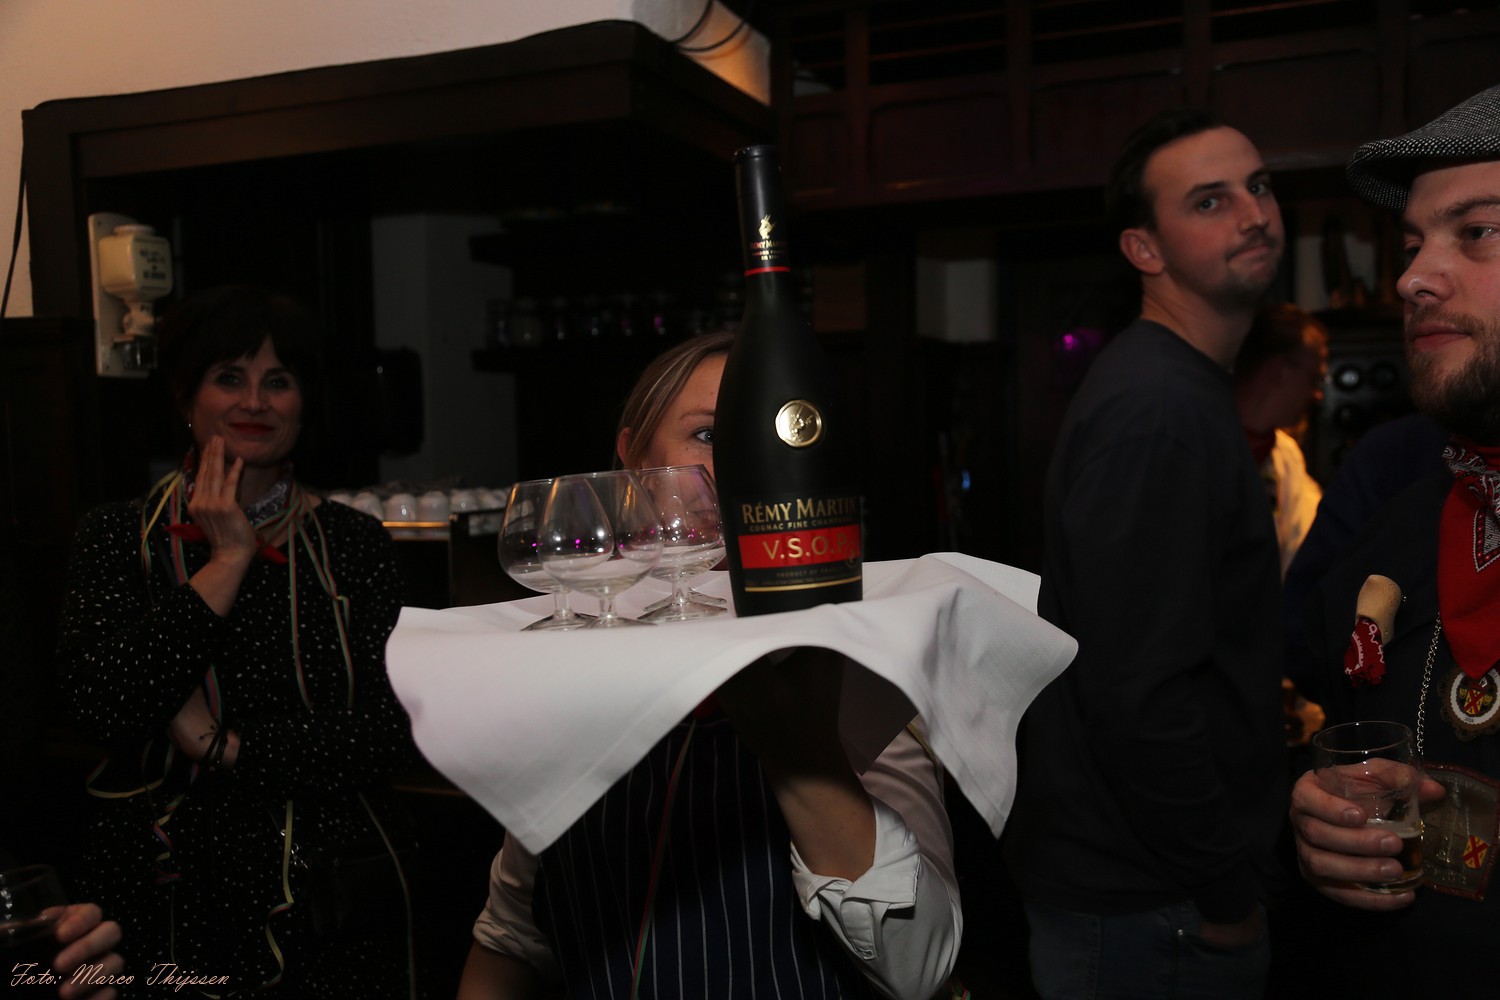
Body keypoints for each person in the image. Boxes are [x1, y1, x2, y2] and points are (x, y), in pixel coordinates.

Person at [456, 332, 963, 1000]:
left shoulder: (852, 657)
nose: (743, 461)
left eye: (768, 437)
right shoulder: (573, 663)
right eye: (707, 435)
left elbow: (921, 965)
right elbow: (514, 935)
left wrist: (801, 752)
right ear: (633, 455)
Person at [56, 286, 423, 995]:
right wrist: (227, 560)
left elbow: (393, 730)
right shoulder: (116, 538)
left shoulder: (355, 544)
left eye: (278, 381)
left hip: (333, 891)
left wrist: (223, 747)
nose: (255, 401)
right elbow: (104, 705)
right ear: (185, 397)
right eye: (230, 377)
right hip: (160, 894)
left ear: (303, 404)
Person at [1002, 107, 1287, 999]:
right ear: (1144, 249)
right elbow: (1138, 695)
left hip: (1154, 893)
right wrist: (1226, 892)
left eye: (1259, 186)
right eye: (1209, 201)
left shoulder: (1180, 389)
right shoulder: (1156, 411)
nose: (1254, 214)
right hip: (1150, 909)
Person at [1287, 83, 1500, 993]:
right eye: (1412, 245)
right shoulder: (1400, 527)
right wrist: (1318, 822)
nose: (1412, 277)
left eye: (1477, 232)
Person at [1234, 302, 1330, 578]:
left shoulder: (1285, 455)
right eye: (1314, 379)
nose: (1317, 395)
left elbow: (1308, 549)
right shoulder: (1201, 442)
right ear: (1278, 371)